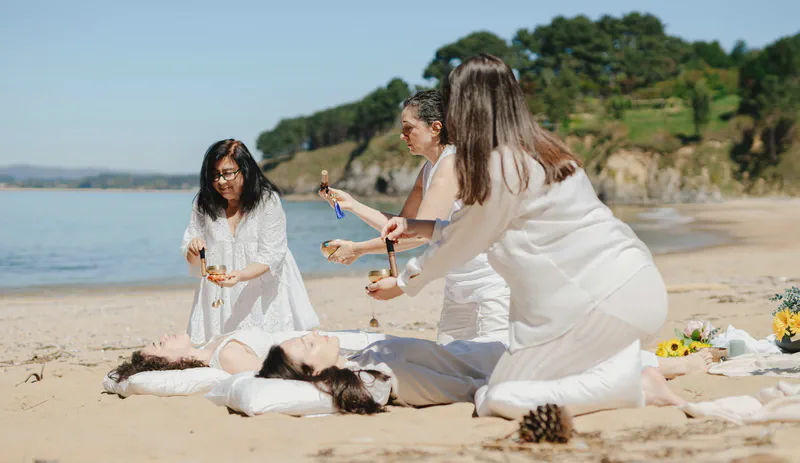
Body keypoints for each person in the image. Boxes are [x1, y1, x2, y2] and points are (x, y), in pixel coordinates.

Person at [367, 54, 670, 397]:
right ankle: (633, 371)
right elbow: (473, 228)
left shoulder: (501, 165)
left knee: (496, 396)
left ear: (470, 107)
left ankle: (638, 386)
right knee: (492, 373)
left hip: (600, 304)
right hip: (636, 283)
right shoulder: (545, 150)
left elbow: (463, 241)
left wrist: (405, 283)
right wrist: (415, 228)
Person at [319, 90, 509, 344]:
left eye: (408, 128)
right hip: (458, 284)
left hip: (491, 285)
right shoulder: (430, 167)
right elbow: (403, 223)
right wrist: (353, 205)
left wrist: (358, 249)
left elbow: (417, 234)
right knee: (450, 367)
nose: (402, 135)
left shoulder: (452, 164)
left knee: (493, 370)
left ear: (435, 128)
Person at [258, 331, 686, 415]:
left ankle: (658, 367)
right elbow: (469, 389)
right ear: (317, 372)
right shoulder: (372, 378)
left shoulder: (363, 358)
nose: (315, 334)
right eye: (309, 344)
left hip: (489, 353)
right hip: (498, 367)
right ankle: (658, 372)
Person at [181, 139, 319, 344]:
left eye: (228, 173)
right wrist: (193, 250)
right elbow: (192, 255)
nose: (220, 181)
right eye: (215, 175)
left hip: (261, 291)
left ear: (245, 170)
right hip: (218, 294)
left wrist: (241, 275)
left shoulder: (267, 201)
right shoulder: (204, 203)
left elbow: (272, 254)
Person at [108, 329, 274, 382]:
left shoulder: (210, 345)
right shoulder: (227, 356)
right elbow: (278, 374)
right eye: (160, 344)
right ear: (173, 362)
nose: (163, 337)